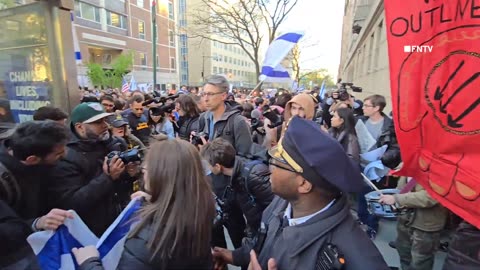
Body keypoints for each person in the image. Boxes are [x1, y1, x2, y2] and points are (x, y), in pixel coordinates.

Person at [212, 116, 389, 270]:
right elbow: (262, 242)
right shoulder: (282, 202)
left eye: (278, 161)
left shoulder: (359, 259)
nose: (269, 165)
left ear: (304, 184)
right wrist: (231, 256)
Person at [72, 139, 215, 269]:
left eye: (145, 169)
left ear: (160, 175)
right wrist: (155, 199)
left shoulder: (147, 240)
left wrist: (89, 262)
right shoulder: (200, 207)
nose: (143, 173)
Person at [48, 102, 136, 236]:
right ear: (80, 127)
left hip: (121, 221)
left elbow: (122, 187)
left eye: (105, 120)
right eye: (98, 122)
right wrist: (107, 178)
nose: (105, 125)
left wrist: (130, 174)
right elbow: (72, 203)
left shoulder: (116, 144)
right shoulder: (66, 155)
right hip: (91, 232)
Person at [0, 121, 72, 270]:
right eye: (58, 154)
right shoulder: (3, 180)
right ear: (32, 159)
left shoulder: (42, 163)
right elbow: (6, 231)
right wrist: (36, 223)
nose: (65, 155)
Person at [201, 138, 274, 254]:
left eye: (209, 165)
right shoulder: (236, 176)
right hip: (257, 232)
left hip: (268, 237)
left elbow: (274, 207)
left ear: (218, 166)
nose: (208, 169)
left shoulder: (253, 175)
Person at [379, 177, 449, 270]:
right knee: (404, 251)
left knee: (420, 260)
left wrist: (397, 199)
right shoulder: (411, 164)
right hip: (405, 219)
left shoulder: (443, 170)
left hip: (426, 225)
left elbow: (431, 196)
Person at [197, 75, 253, 155]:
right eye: (203, 94)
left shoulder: (238, 122)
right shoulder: (204, 117)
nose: (206, 99)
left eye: (210, 94)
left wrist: (211, 153)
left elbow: (246, 157)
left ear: (223, 96)